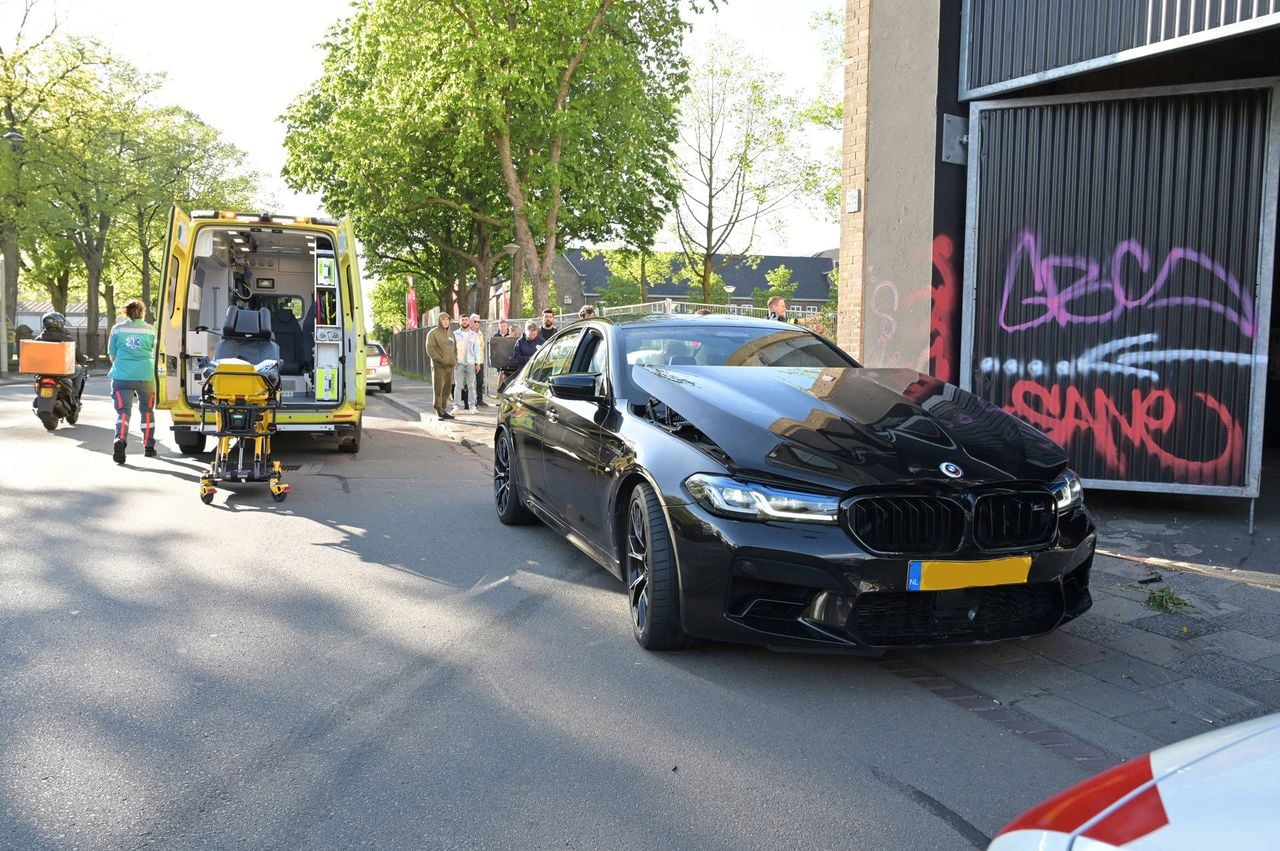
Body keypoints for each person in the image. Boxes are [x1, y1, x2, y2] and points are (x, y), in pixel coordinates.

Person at [107, 299, 157, 463]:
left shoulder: (117, 329)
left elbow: (112, 356)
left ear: (125, 313)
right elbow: (157, 354)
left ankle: (119, 439)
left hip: (122, 377)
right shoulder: (151, 330)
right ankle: (149, 447)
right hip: (146, 377)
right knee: (147, 410)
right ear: (143, 312)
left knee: (123, 412)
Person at [34, 311, 89, 403]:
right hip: (61, 372)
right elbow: (79, 357)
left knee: (37, 380)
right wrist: (83, 359)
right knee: (79, 369)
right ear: (60, 324)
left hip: (43, 371)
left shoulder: (38, 339)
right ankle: (75, 396)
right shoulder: (67, 339)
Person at [426, 313, 457, 419]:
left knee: (447, 389)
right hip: (439, 366)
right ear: (439, 321)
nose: (445, 321)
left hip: (449, 366)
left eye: (447, 319)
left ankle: (444, 409)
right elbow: (430, 349)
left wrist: (454, 360)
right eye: (443, 319)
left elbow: (455, 348)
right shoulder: (433, 333)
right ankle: (438, 409)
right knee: (438, 388)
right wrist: (441, 360)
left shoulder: (451, 333)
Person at [453, 312, 483, 410]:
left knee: (471, 385)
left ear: (468, 322)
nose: (465, 322)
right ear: (459, 321)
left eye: (466, 320)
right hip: (459, 363)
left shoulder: (474, 335)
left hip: (470, 363)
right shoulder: (455, 334)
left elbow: (477, 350)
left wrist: (477, 363)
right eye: (463, 320)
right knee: (458, 385)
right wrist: (454, 361)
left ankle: (472, 406)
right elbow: (452, 349)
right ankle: (456, 405)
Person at [468, 313, 489, 408]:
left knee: (480, 381)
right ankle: (470, 400)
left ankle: (479, 399)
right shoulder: (467, 332)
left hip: (479, 360)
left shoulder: (480, 333)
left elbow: (482, 347)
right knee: (471, 381)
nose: (477, 323)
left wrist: (480, 361)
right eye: (475, 321)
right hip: (470, 361)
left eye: (478, 321)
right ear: (470, 322)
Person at [492, 319, 517, 390]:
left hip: (509, 359)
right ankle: (499, 390)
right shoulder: (495, 335)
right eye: (501, 326)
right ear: (499, 327)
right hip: (500, 359)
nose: (503, 328)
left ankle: (503, 390)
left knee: (506, 376)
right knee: (501, 375)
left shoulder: (510, 335)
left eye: (504, 326)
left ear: (507, 326)